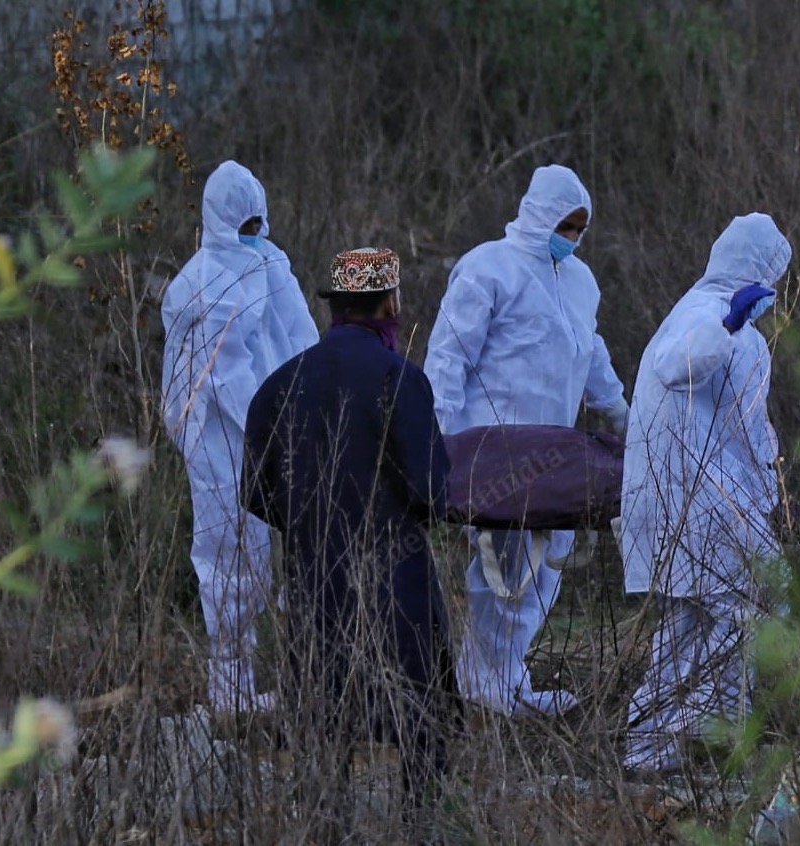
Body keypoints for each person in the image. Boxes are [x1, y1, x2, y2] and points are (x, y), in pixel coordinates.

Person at [242, 247, 460, 795]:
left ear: (335, 308)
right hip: (397, 588)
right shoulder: (400, 379)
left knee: (323, 720)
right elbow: (431, 492)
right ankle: (419, 828)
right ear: (390, 303)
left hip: (315, 585)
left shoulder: (279, 385)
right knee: (419, 723)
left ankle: (327, 827)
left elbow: (255, 492)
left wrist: (309, 525)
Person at [424, 163, 631, 717]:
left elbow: (591, 352)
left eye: (580, 228)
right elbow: (448, 357)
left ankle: (497, 676)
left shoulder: (581, 282)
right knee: (503, 569)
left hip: (555, 453)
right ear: (539, 212)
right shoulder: (488, 268)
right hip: (496, 451)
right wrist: (436, 440)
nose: (572, 237)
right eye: (565, 224)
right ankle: (487, 685)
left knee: (547, 569)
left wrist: (622, 415)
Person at [617, 212, 792, 772]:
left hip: (686, 495)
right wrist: (728, 324)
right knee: (761, 603)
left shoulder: (702, 314)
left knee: (689, 620)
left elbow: (743, 424)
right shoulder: (707, 316)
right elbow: (679, 367)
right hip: (697, 498)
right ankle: (697, 721)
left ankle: (651, 744)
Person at [160, 160, 319, 713]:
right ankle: (229, 685)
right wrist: (271, 425)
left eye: (259, 222)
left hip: (280, 430)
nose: (254, 233)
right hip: (220, 439)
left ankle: (301, 673)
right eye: (243, 223)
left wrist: (308, 408)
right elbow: (218, 374)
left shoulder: (272, 264)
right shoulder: (197, 283)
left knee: (298, 541)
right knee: (230, 547)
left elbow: (300, 337)